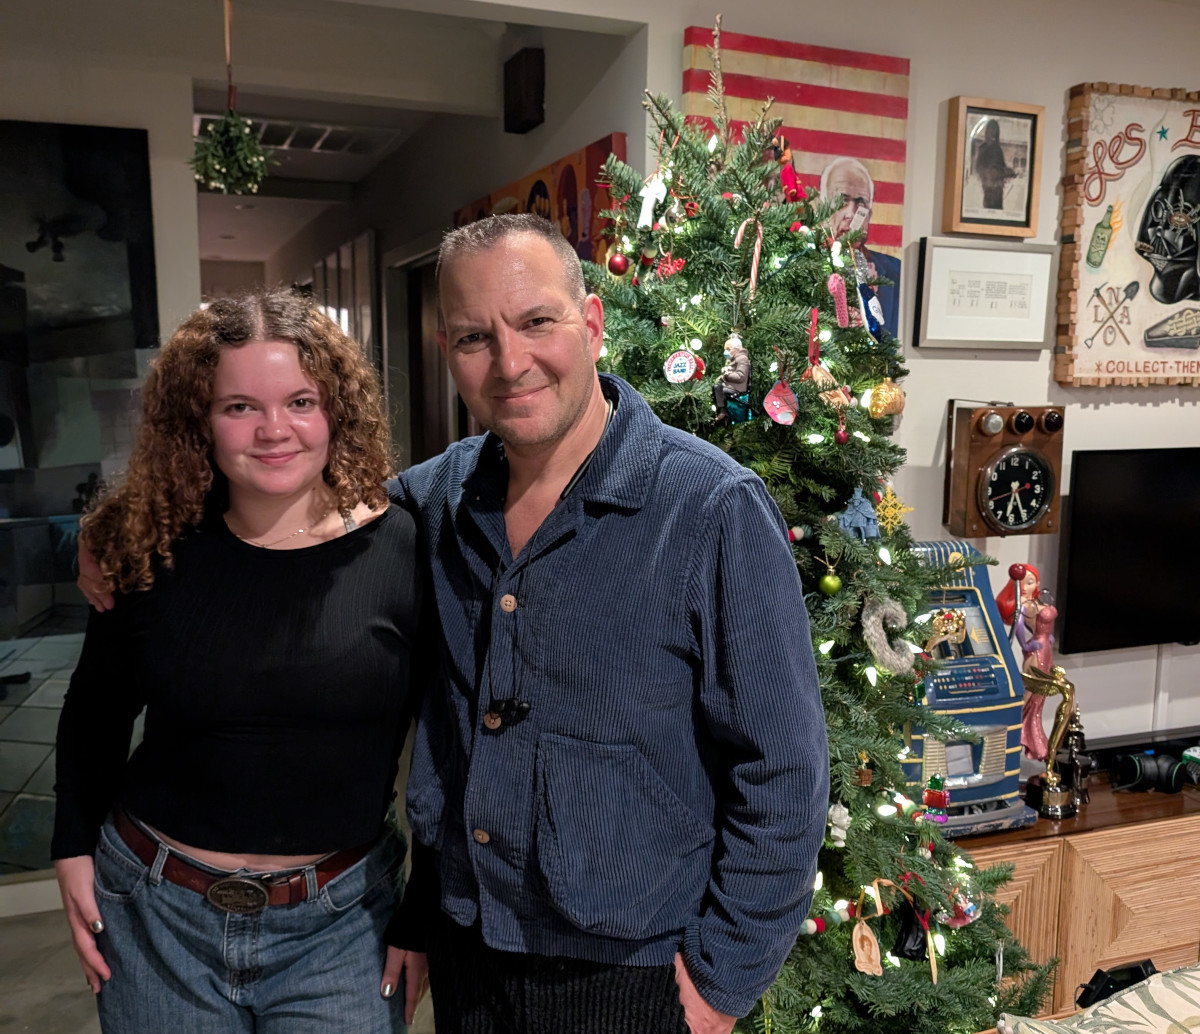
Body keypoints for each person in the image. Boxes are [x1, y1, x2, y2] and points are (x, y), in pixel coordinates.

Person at [397, 213, 829, 1034]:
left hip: (635, 978)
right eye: (472, 338)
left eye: (536, 322)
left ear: (591, 324)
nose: (510, 362)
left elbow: (784, 770)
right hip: (471, 951)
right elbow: (307, 508)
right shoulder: (434, 500)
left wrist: (722, 981)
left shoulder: (711, 508)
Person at [61, 289, 429, 1033]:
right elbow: (96, 711)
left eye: (300, 400)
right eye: (238, 407)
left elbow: (450, 747)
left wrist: (425, 908)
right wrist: (71, 851)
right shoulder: (146, 547)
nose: (273, 431)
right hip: (157, 911)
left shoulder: (404, 549)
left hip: (342, 921)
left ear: (337, 410)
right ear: (198, 417)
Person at [820, 156, 901, 334]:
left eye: (860, 202)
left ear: (869, 213)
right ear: (823, 208)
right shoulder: (800, 270)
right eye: (842, 201)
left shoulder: (896, 272)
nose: (851, 213)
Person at [973, 118, 1016, 210]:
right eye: (991, 129)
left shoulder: (998, 149)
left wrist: (1008, 171)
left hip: (998, 189)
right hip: (989, 188)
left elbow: (1001, 166)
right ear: (987, 131)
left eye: (995, 130)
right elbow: (979, 168)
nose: (993, 132)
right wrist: (993, 174)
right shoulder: (983, 148)